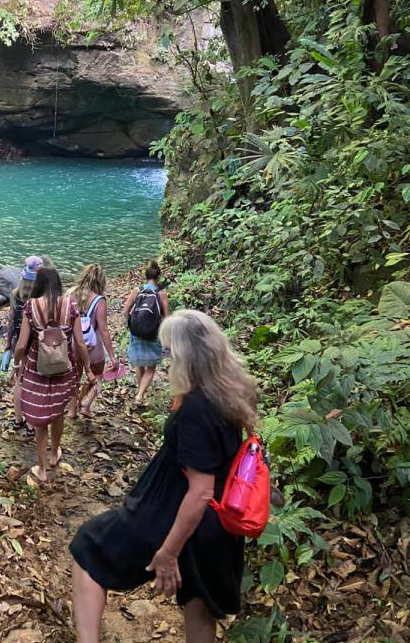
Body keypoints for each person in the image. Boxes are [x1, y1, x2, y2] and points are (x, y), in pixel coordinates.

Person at [70, 309, 257, 643]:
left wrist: (169, 553)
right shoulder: (228, 391)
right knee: (198, 604)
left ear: (187, 355)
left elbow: (200, 491)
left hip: (173, 513)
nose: (168, 359)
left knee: (89, 548)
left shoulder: (197, 408)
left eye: (170, 351)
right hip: (215, 525)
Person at [12, 267, 96, 482]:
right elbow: (79, 342)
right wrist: (88, 369)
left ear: (38, 284)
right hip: (63, 367)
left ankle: (41, 469)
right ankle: (54, 454)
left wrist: (16, 364)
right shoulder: (71, 305)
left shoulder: (31, 306)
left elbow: (21, 344)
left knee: (41, 419)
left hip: (36, 368)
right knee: (58, 412)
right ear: (58, 284)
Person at [67, 264, 117, 419]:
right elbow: (103, 330)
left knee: (75, 378)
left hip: (75, 343)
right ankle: (86, 404)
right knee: (98, 376)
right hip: (93, 347)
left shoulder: (70, 293)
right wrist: (112, 356)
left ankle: (71, 411)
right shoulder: (99, 300)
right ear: (100, 281)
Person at [2, 255, 44, 428]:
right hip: (37, 342)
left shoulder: (15, 294)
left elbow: (12, 320)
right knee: (35, 380)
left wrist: (8, 345)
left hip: (19, 340)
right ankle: (32, 421)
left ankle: (18, 418)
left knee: (20, 379)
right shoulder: (41, 296)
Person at [122, 259, 169, 406]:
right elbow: (166, 317)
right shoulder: (161, 293)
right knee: (151, 366)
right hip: (152, 332)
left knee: (139, 364)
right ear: (158, 277)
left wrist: (133, 323)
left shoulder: (137, 290)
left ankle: (139, 393)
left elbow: (125, 311)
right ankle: (140, 396)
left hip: (136, 331)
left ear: (146, 276)